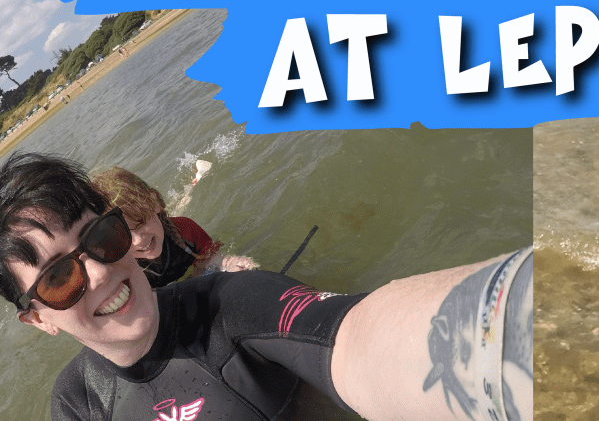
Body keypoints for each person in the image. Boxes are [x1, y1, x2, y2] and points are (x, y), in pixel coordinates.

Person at [0, 153, 532, 421]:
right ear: (38, 318)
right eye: (57, 277)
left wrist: (519, 321)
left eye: (101, 235)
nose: (96, 272)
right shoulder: (76, 400)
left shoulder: (232, 304)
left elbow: (360, 336)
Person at [90, 166, 257, 285]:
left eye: (140, 223)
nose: (138, 240)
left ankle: (194, 182)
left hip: (166, 224)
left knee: (178, 207)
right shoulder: (123, 267)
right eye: (124, 235)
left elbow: (211, 256)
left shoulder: (185, 229)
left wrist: (228, 263)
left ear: (154, 202)